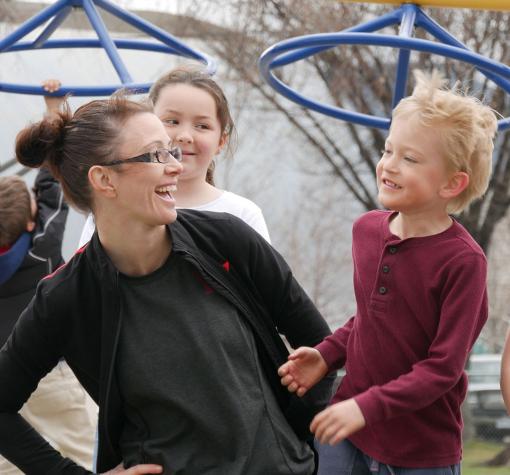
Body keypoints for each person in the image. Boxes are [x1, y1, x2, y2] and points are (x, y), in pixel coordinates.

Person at [0, 93, 333, 474]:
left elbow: (324, 350)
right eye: (156, 154)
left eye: (171, 152)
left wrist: (297, 443)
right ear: (104, 179)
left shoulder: (226, 239)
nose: (175, 166)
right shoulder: (67, 296)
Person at [278, 71, 498, 475]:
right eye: (388, 150)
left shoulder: (464, 262)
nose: (388, 166)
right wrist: (327, 354)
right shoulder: (366, 231)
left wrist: (368, 407)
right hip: (348, 431)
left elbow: (443, 368)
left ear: (453, 183)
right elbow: (370, 319)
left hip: (420, 450)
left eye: (409, 158)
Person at [0, 80, 97, 473]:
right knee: (81, 448)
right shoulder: (40, 250)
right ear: (30, 220)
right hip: (47, 376)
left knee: (9, 458)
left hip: (1, 376)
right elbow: (51, 181)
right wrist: (54, 109)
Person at [78, 66, 270, 247]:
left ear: (221, 141)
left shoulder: (243, 215)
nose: (184, 136)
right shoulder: (113, 210)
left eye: (202, 126)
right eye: (172, 121)